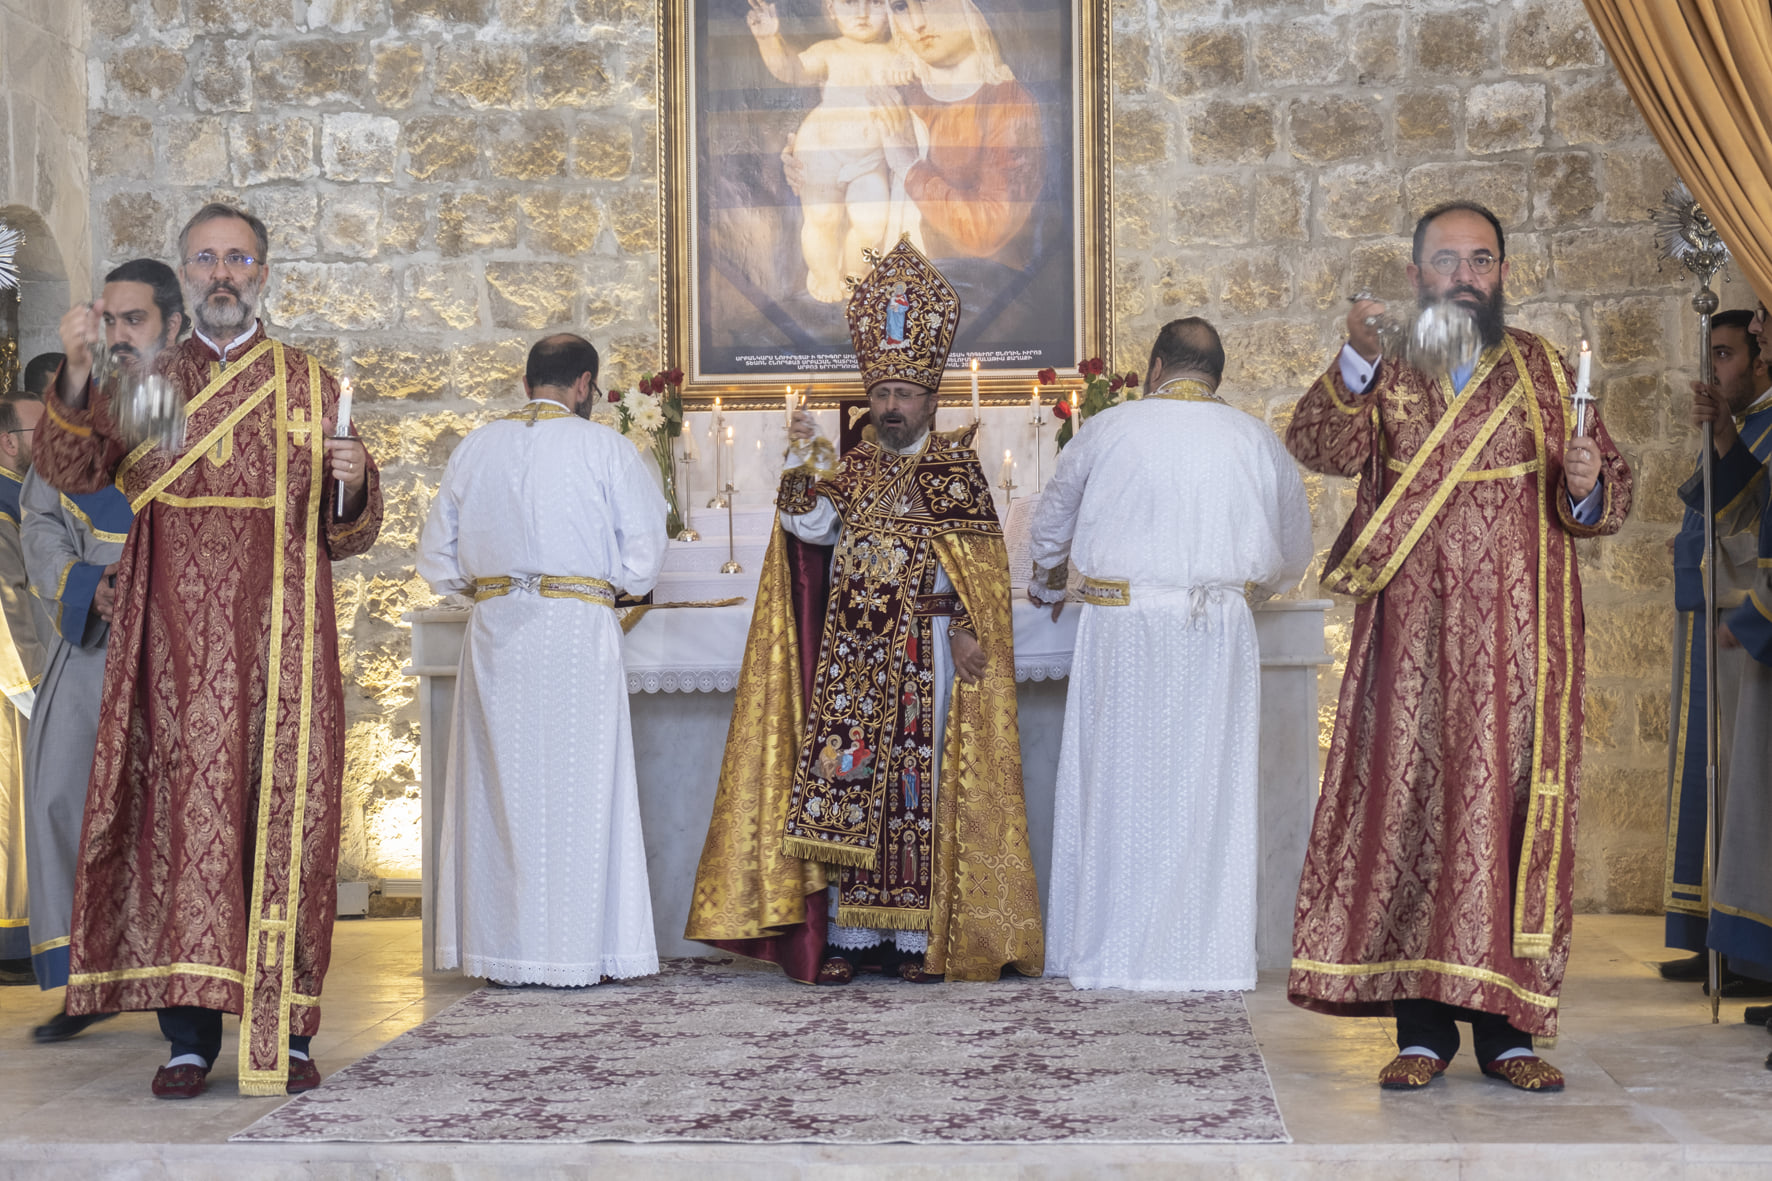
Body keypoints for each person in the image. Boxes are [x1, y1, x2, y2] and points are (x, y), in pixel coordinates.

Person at [1286, 201, 1634, 1093]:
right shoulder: (1390, 370)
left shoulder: (1547, 371)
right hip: (1412, 650)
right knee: (1416, 816)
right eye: (1448, 260)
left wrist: (1590, 484)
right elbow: (1316, 444)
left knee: (1510, 818)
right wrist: (1354, 357)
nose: (1466, 276)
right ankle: (1423, 1032)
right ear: (1416, 276)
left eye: (1482, 260)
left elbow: (1605, 495)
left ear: (1503, 274)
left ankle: (1508, 1034)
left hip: (1524, 651)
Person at [39, 202, 382, 1099]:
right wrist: (76, 377)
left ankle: (290, 1029)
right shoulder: (154, 386)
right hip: (173, 653)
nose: (222, 273)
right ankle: (187, 1038)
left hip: (284, 656)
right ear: (185, 277)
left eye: (238, 259)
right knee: (179, 828)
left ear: (263, 273)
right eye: (205, 260)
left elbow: (345, 537)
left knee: (288, 826)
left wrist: (352, 486)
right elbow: (73, 472)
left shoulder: (310, 385)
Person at [686, 236, 1043, 983]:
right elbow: (809, 529)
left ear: (930, 398)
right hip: (855, 658)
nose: (888, 406)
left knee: (922, 793)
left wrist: (975, 628)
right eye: (880, 393)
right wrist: (801, 461)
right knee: (852, 789)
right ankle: (849, 936)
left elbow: (981, 564)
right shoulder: (854, 466)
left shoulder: (956, 467)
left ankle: (922, 940)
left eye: (902, 394)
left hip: (931, 650)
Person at [1029, 318, 1312, 991]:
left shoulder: (1109, 428)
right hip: (1215, 628)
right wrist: (1254, 588)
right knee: (1205, 792)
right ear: (1218, 374)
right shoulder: (1253, 438)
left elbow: (1052, 520)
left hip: (1123, 627)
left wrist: (1045, 579)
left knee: (1116, 787)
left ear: (1156, 368)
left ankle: (1107, 953)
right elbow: (1294, 546)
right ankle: (1204, 957)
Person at [417, 334, 666, 987]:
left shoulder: (477, 446)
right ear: (584, 384)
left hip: (498, 631)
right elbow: (643, 558)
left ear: (527, 383)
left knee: (502, 791)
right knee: (584, 786)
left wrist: (493, 589)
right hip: (579, 629)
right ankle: (586, 948)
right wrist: (605, 584)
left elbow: (436, 557)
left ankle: (503, 950)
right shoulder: (607, 448)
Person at [23, 260, 180, 1040]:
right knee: (63, 798)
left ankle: (179, 982)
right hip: (94, 637)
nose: (121, 335)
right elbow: (41, 522)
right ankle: (83, 982)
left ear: (170, 326)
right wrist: (88, 587)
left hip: (179, 646)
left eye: (136, 320)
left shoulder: (190, 409)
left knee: (171, 812)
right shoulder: (73, 415)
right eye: (110, 320)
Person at [1660, 306, 1772, 994]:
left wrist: (1729, 435)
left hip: (1745, 614)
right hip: (1717, 608)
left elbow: (1749, 517)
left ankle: (1749, 951)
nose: (1720, 367)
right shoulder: (1742, 425)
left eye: (1731, 352)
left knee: (1744, 780)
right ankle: (1717, 935)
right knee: (1708, 770)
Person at [749, 0, 908, 302]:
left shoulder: (898, 53)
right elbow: (791, 69)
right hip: (821, 151)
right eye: (850, 3)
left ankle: (855, 276)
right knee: (822, 219)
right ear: (832, 9)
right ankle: (823, 276)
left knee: (871, 224)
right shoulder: (830, 50)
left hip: (870, 160)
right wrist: (769, 38)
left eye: (874, 3)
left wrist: (906, 67)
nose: (861, 13)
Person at [0, 387, 46, 984]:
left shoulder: (24, 494)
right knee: (13, 809)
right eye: (41, 435)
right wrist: (37, 685)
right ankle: (12, 939)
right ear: (9, 441)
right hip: (15, 682)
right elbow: (7, 601)